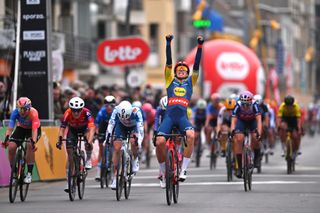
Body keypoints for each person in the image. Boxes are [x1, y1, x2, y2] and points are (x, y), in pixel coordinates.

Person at [155, 34, 203, 186]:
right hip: (169, 117)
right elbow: (169, 63)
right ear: (175, 72)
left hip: (182, 117)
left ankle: (183, 170)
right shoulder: (170, 81)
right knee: (160, 141)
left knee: (190, 135)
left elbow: (196, 65)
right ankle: (163, 172)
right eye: (179, 69)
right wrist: (168, 43)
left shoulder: (190, 82)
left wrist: (200, 46)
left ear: (187, 73)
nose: (182, 70)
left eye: (184, 69)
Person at [56, 97, 95, 192]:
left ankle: (88, 159)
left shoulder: (87, 112)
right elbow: (62, 128)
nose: (76, 113)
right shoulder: (67, 113)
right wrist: (59, 140)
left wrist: (89, 141)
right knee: (70, 153)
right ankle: (69, 179)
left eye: (78, 111)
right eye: (74, 111)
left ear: (81, 109)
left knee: (88, 142)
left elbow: (92, 128)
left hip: (84, 129)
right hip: (72, 130)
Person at [1, 97, 41, 184]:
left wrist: (33, 142)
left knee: (30, 145)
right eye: (20, 109)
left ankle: (29, 173)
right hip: (21, 129)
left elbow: (34, 130)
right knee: (11, 146)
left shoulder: (33, 113)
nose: (22, 112)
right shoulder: (15, 112)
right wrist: (7, 139)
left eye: (24, 109)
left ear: (29, 108)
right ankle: (14, 173)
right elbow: (10, 128)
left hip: (32, 130)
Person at [106, 100, 144, 189]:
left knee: (133, 142)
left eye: (126, 117)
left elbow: (141, 129)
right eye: (122, 117)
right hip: (121, 127)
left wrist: (139, 142)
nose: (125, 119)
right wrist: (107, 137)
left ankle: (135, 160)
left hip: (133, 127)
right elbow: (111, 124)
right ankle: (116, 177)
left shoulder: (136, 111)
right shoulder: (116, 110)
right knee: (117, 148)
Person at [230, 91, 262, 178]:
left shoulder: (255, 105)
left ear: (251, 102)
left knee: (255, 137)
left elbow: (259, 120)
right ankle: (239, 167)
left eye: (247, 104)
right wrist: (232, 131)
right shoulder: (238, 105)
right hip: (242, 121)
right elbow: (233, 120)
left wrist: (259, 132)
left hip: (252, 121)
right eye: (244, 104)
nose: (245, 106)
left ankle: (257, 158)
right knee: (239, 139)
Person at [94, 95, 116, 181]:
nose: (109, 108)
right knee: (101, 148)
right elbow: (96, 125)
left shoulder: (116, 112)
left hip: (113, 129)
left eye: (111, 106)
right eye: (107, 106)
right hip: (103, 128)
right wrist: (96, 133)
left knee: (115, 148)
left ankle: (113, 167)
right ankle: (98, 171)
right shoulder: (102, 112)